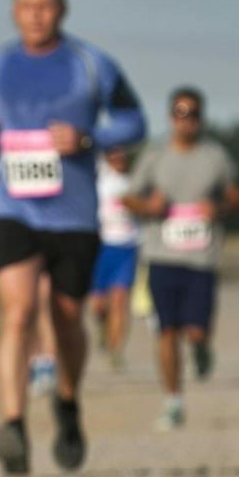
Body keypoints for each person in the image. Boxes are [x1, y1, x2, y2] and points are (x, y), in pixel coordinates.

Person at [0, 0, 146, 475]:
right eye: (26, 5)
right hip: (14, 208)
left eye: (45, 5)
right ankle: (14, 426)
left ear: (62, 10)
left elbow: (134, 121)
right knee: (18, 313)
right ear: (12, 9)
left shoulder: (92, 65)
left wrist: (90, 139)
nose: (36, 15)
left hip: (73, 215)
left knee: (67, 319)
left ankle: (67, 405)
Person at [125, 88, 239, 431]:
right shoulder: (155, 155)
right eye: (179, 112)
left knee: (195, 330)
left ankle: (202, 347)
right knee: (166, 331)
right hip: (161, 255)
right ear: (170, 116)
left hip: (201, 259)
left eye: (192, 113)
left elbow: (236, 193)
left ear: (201, 118)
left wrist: (219, 208)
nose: (186, 120)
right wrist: (148, 207)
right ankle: (173, 401)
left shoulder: (215, 157)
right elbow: (128, 197)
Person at [89, 147, 142, 367]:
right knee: (98, 305)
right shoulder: (98, 179)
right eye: (114, 153)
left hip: (127, 246)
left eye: (123, 153)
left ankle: (116, 350)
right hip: (100, 246)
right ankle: (104, 327)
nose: (119, 158)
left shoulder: (135, 181)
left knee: (120, 300)